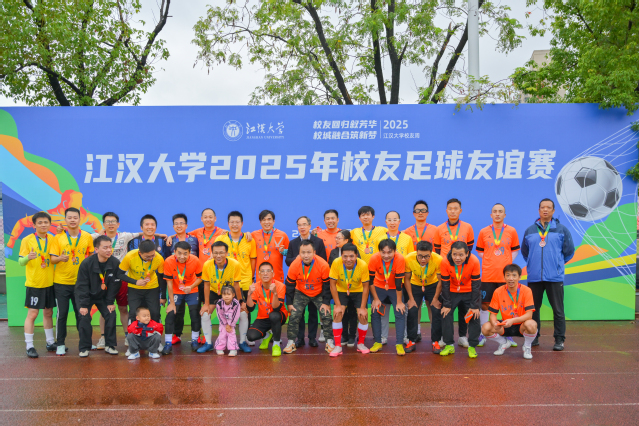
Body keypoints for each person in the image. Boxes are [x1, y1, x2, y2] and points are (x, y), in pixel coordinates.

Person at [521, 198, 575, 351]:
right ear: (539, 210)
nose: (545, 210)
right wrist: (533, 265)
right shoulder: (530, 230)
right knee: (533, 309)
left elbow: (569, 251)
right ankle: (534, 337)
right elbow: (525, 252)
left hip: (554, 277)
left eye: (548, 207)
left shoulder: (562, 230)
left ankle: (559, 339)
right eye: (542, 207)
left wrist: (557, 264)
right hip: (534, 278)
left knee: (558, 310)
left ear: (553, 210)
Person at [75, 235, 134, 357]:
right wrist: (84, 305)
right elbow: (82, 285)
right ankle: (84, 348)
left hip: (103, 296)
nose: (108, 250)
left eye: (110, 247)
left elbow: (115, 284)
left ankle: (110, 345)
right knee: (84, 317)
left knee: (111, 314)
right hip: (87, 296)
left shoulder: (115, 262)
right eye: (105, 247)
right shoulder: (86, 263)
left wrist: (110, 302)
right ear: (96, 249)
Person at [91, 212, 140, 349]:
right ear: (103, 224)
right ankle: (103, 337)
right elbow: (79, 235)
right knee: (104, 309)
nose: (110, 224)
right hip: (104, 279)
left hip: (121, 278)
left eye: (113, 221)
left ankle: (127, 336)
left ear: (118, 224)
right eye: (107, 221)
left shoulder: (125, 236)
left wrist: (166, 236)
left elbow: (144, 233)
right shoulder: (96, 237)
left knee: (123, 308)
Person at [475, 203, 520, 348]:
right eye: (495, 211)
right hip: (488, 275)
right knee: (485, 305)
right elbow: (480, 251)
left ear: (504, 215)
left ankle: (508, 334)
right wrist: (491, 260)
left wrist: (506, 262)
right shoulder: (483, 231)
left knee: (507, 306)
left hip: (505, 277)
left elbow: (515, 250)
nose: (497, 214)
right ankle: (482, 333)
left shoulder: (511, 231)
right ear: (491, 215)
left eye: (500, 211)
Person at [51, 207, 95, 355]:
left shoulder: (87, 236)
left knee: (82, 314)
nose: (72, 220)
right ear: (65, 219)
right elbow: (52, 259)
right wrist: (60, 258)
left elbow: (91, 256)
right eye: (69, 217)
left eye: (75, 217)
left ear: (80, 219)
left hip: (81, 284)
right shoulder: (58, 237)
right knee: (62, 314)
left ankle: (86, 343)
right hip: (61, 282)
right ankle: (60, 344)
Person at [433, 198, 474, 347]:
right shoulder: (439, 229)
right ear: (446, 211)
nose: (453, 211)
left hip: (463, 274)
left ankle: (463, 336)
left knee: (464, 309)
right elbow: (437, 251)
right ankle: (446, 337)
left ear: (460, 210)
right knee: (446, 308)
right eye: (450, 208)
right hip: (447, 273)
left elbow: (469, 249)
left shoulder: (468, 227)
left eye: (456, 208)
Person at [215, 211, 257, 353]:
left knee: (245, 310)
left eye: (237, 222)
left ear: (242, 223)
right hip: (226, 282)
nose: (234, 224)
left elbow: (253, 260)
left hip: (244, 280)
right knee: (225, 310)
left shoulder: (249, 239)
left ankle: (244, 339)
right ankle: (224, 337)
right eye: (232, 222)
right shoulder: (221, 238)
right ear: (228, 224)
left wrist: (251, 277)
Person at [19, 211, 60, 358]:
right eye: (40, 222)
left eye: (46, 222)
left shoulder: (53, 239)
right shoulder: (27, 240)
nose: (43, 225)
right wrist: (27, 258)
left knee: (48, 313)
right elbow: (20, 261)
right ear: (34, 225)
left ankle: (50, 342)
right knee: (33, 314)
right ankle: (29, 346)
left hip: (49, 283)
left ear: (50, 224)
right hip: (34, 284)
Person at [283, 240, 334, 354]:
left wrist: (326, 302)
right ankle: (291, 342)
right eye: (303, 252)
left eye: (309, 252)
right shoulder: (294, 265)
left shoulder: (323, 264)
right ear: (299, 253)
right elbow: (289, 285)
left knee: (326, 315)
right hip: (301, 292)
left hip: (318, 292)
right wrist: (289, 303)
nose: (306, 255)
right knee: (294, 315)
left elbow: (327, 286)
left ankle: (329, 342)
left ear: (314, 252)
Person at [187, 208, 228, 344]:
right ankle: (201, 335)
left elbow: (237, 235)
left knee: (221, 308)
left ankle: (225, 336)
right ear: (201, 219)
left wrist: (247, 234)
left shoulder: (222, 232)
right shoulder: (196, 232)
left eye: (211, 217)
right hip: (200, 276)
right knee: (201, 309)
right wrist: (169, 237)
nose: (208, 219)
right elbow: (182, 234)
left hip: (217, 277)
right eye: (205, 217)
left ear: (215, 218)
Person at [351, 206, 391, 343]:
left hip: (377, 274)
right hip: (360, 274)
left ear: (373, 216)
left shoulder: (382, 230)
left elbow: (396, 233)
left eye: (368, 214)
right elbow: (340, 236)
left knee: (377, 306)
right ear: (359, 218)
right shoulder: (354, 232)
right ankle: (359, 335)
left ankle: (379, 336)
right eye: (363, 215)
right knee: (359, 306)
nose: (365, 217)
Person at [285, 216, 326, 347]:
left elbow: (323, 260)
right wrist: (299, 258)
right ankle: (300, 339)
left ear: (309, 225)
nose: (302, 227)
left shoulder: (318, 241)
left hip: (315, 285)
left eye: (304, 224)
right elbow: (287, 261)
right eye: (299, 225)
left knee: (313, 313)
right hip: (300, 286)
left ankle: (312, 338)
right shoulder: (293, 243)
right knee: (299, 314)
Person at [482, 264, 538, 360]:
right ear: (504, 277)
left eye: (514, 275)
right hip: (505, 325)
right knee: (485, 328)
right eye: (508, 275)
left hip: (521, 325)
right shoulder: (498, 291)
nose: (511, 278)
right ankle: (504, 343)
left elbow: (529, 315)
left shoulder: (527, 291)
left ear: (519, 277)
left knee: (532, 325)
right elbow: (492, 314)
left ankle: (527, 346)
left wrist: (513, 320)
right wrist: (494, 323)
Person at [197, 241, 242, 353]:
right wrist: (206, 304)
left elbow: (236, 285)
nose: (218, 255)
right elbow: (206, 285)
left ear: (226, 253)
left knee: (244, 314)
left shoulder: (235, 264)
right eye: (215, 253)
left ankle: (242, 342)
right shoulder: (207, 264)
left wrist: (240, 301)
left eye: (221, 252)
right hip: (214, 292)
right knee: (205, 314)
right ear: (212, 253)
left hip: (229, 293)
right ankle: (208, 343)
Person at [439, 241, 481, 358]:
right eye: (454, 254)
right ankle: (449, 345)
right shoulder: (445, 261)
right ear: (451, 253)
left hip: (469, 291)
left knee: (474, 315)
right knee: (446, 314)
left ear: (467, 254)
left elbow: (476, 285)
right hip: (452, 291)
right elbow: (445, 284)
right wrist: (446, 304)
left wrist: (475, 305)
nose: (457, 258)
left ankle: (472, 346)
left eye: (461, 255)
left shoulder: (474, 261)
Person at [402, 200, 437, 338]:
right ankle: (416, 332)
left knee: (431, 304)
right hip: (415, 276)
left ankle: (435, 333)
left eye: (423, 210)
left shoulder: (435, 230)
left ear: (427, 213)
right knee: (414, 306)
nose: (420, 213)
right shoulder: (407, 232)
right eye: (417, 210)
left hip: (431, 275)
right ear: (413, 213)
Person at [163, 213, 199, 346]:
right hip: (176, 284)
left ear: (186, 225)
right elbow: (168, 280)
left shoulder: (194, 239)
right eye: (176, 224)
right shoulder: (169, 242)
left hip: (192, 283)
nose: (179, 225)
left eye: (181, 223)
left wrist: (192, 286)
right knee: (176, 312)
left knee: (195, 312)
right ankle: (175, 336)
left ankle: (196, 338)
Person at [328, 243, 370, 357]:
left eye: (351, 256)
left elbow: (366, 287)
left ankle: (361, 344)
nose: (348, 259)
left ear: (356, 256)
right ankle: (337, 346)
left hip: (358, 290)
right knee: (337, 313)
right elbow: (332, 285)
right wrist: (337, 305)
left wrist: (362, 308)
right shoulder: (336, 262)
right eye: (345, 256)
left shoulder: (363, 265)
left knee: (363, 315)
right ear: (341, 256)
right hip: (342, 290)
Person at [162, 241, 203, 354]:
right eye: (179, 253)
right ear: (174, 252)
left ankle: (194, 340)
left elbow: (200, 278)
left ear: (190, 253)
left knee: (194, 314)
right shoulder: (168, 261)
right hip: (176, 291)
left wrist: (191, 287)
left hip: (191, 290)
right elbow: (169, 283)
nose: (182, 256)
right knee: (171, 314)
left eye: (185, 253)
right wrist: (171, 303)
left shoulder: (195, 260)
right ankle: (168, 343)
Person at [368, 239, 407, 355]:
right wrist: (375, 299)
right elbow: (370, 281)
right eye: (383, 252)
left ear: (395, 251)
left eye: (389, 252)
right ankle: (378, 342)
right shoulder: (374, 258)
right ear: (379, 251)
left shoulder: (400, 259)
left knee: (399, 312)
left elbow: (399, 283)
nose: (386, 255)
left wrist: (399, 302)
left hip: (395, 289)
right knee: (375, 312)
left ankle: (399, 344)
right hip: (378, 287)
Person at [404, 241, 444, 354]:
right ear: (416, 252)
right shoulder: (408, 258)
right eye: (420, 256)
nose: (423, 259)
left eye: (426, 256)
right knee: (412, 310)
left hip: (432, 285)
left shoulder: (438, 259)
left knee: (436, 310)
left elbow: (440, 281)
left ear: (431, 253)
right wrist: (411, 298)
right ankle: (411, 341)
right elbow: (406, 279)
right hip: (415, 284)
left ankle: (436, 341)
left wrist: (435, 299)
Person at [119, 240, 166, 328]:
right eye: (147, 256)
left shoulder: (159, 258)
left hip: (152, 288)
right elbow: (119, 274)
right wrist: (136, 282)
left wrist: (163, 296)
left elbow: (161, 278)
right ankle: (134, 333)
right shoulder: (130, 256)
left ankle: (155, 333)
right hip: (134, 288)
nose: (151, 258)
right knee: (133, 313)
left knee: (155, 312)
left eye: (152, 255)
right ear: (140, 253)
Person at [246, 262, 289, 357]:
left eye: (268, 271)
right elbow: (250, 308)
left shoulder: (280, 286)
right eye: (262, 271)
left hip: (279, 315)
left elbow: (276, 308)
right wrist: (249, 294)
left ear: (273, 274)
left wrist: (275, 293)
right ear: (259, 274)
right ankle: (267, 335)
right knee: (251, 336)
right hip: (263, 317)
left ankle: (276, 344)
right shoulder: (255, 286)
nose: (265, 273)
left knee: (274, 315)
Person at [328, 230, 359, 347]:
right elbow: (331, 269)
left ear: (346, 240)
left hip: (354, 288)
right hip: (340, 288)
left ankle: (352, 336)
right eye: (335, 238)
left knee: (353, 313)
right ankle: (344, 336)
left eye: (339, 238)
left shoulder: (354, 251)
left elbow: (357, 268)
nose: (336, 240)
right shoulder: (333, 252)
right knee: (342, 313)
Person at [214, 285, 242, 357]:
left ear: (233, 295)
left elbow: (236, 315)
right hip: (223, 322)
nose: (226, 296)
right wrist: (225, 324)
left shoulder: (236, 303)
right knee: (222, 334)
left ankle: (233, 349)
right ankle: (219, 348)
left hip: (231, 322)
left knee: (231, 333)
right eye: (224, 294)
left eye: (228, 294)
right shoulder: (219, 303)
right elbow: (219, 315)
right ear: (221, 295)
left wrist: (230, 324)